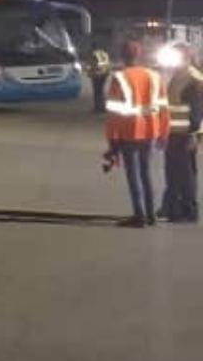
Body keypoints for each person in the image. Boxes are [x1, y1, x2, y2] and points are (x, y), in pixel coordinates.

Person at [104, 40, 170, 228]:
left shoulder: (120, 77)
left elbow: (114, 113)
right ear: (139, 55)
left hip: (129, 132)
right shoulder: (155, 77)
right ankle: (151, 215)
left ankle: (139, 215)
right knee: (146, 173)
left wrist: (112, 141)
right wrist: (164, 132)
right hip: (151, 130)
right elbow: (164, 108)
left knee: (133, 175)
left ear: (123, 56)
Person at [160, 45, 203, 223]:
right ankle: (171, 207)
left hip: (185, 133)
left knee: (185, 173)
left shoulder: (193, 78)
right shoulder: (179, 75)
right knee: (173, 172)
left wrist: (194, 135)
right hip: (174, 132)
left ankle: (188, 210)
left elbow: (198, 110)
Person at [87, 44, 111, 115]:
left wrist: (90, 73)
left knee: (97, 92)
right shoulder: (104, 53)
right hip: (105, 74)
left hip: (97, 74)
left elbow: (94, 65)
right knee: (101, 91)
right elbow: (107, 64)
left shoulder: (94, 54)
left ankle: (97, 107)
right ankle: (102, 107)